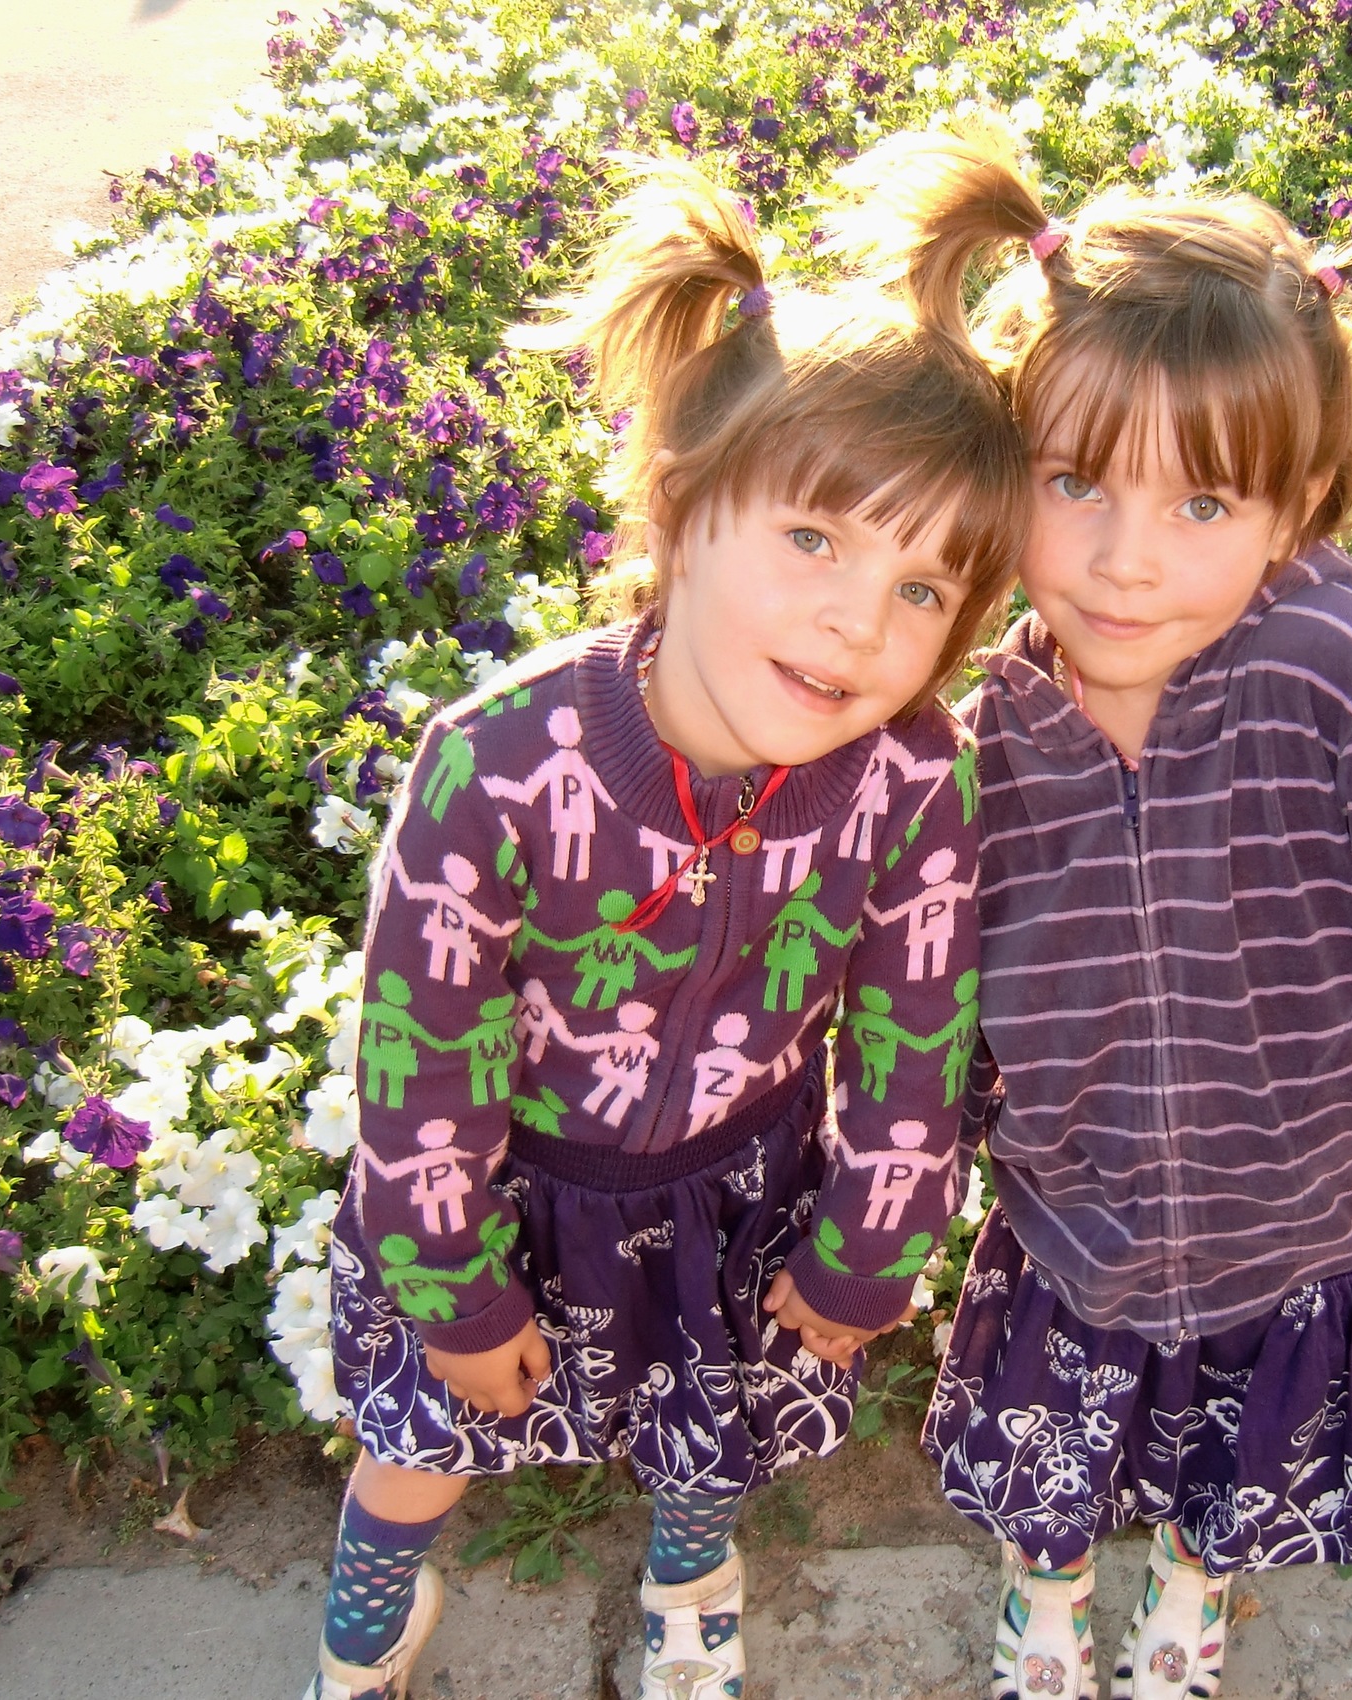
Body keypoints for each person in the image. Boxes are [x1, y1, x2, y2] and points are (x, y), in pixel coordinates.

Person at [845, 131, 1352, 1700]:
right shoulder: (981, 731)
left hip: (1307, 1219)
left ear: (1298, 502)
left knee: (1237, 1462)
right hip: (1080, 1219)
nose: (1125, 563)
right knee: (1056, 1461)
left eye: (1202, 502)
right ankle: (1046, 1603)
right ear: (1007, 467)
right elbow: (921, 990)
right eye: (1074, 483)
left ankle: (1193, 1600)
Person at [303, 152, 1026, 1700]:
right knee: (428, 1424)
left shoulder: (911, 780)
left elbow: (914, 1036)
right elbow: (419, 1056)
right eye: (815, 539)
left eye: (924, 589)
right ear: (685, 508)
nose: (858, 620)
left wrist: (870, 1248)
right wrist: (457, 1286)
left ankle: (691, 1570)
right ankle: (376, 1585)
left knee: (715, 1421)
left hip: (732, 1191)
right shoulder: (503, 766)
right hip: (508, 1185)